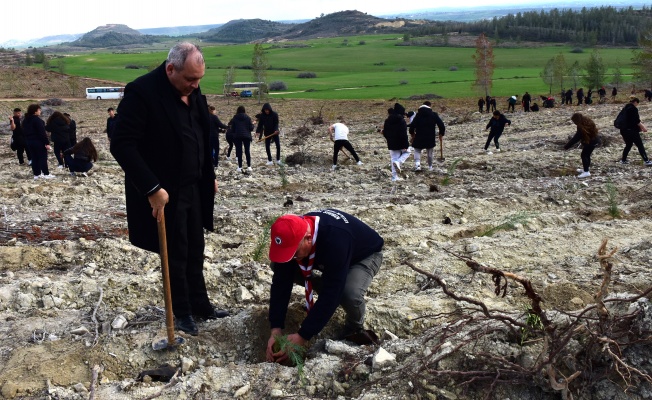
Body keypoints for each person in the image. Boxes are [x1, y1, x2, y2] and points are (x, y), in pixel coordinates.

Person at [110, 42, 229, 337]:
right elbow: (122, 144)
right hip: (165, 191)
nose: (195, 85)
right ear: (170, 68)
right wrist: (152, 188)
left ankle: (201, 305)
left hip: (194, 186)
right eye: (190, 79)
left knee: (195, 248)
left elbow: (201, 133)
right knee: (175, 252)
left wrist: (208, 174)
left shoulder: (192, 89)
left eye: (199, 79)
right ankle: (183, 312)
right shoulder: (142, 92)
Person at [265, 209, 384, 362]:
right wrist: (275, 328)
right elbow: (280, 284)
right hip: (329, 259)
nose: (292, 257)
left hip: (363, 256)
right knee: (279, 266)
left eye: (294, 253)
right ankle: (326, 289)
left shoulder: (336, 239)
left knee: (347, 293)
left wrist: (303, 335)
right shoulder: (292, 235)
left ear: (308, 239)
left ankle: (354, 326)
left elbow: (333, 290)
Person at [409, 101, 445, 171]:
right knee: (430, 152)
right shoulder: (434, 114)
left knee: (417, 150)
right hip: (430, 137)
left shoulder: (418, 115)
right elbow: (441, 125)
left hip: (419, 136)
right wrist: (441, 133)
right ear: (429, 106)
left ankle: (417, 165)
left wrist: (412, 134)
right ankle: (430, 167)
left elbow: (412, 126)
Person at [23, 104, 54, 180]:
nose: (40, 111)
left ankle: (36, 174)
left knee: (34, 158)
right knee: (42, 158)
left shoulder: (25, 120)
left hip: (29, 141)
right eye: (39, 110)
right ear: (35, 111)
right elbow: (42, 133)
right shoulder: (37, 120)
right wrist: (46, 143)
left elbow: (23, 131)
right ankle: (46, 174)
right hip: (38, 141)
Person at [617, 97, 652, 166]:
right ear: (635, 102)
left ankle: (623, 160)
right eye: (637, 104)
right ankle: (646, 161)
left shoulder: (625, 108)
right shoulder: (633, 109)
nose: (637, 105)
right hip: (631, 131)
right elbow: (637, 121)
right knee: (640, 145)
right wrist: (643, 128)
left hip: (624, 130)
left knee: (629, 145)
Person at [381, 103, 411, 182]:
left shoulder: (387, 120)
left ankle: (394, 177)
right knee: (407, 152)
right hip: (400, 142)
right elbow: (403, 134)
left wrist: (389, 139)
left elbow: (385, 132)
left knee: (393, 158)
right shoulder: (401, 120)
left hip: (391, 142)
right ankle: (399, 162)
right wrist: (405, 144)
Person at [564, 113, 600, 178]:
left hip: (591, 142)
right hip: (595, 140)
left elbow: (576, 138)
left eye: (574, 121)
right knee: (587, 155)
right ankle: (586, 168)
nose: (574, 123)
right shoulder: (587, 121)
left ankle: (586, 172)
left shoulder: (581, 127)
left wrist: (567, 146)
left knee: (584, 155)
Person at [229, 105, 254, 173]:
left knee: (239, 152)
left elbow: (233, 129)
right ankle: (249, 166)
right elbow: (251, 128)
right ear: (244, 111)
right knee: (247, 151)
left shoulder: (235, 118)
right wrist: (253, 124)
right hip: (247, 136)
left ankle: (240, 167)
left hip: (238, 136)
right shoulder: (248, 118)